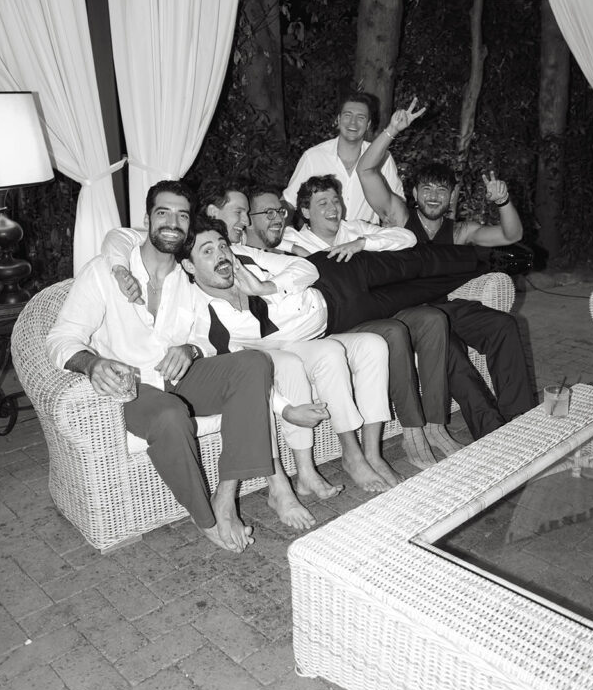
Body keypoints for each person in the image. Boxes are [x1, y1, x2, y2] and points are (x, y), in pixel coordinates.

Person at [46, 180, 317, 554]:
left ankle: (225, 497)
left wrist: (190, 349)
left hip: (179, 378)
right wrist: (92, 364)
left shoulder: (188, 282)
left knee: (253, 363)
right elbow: (61, 337)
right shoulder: (104, 272)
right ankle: (206, 520)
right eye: (163, 213)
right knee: (170, 415)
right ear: (147, 220)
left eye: (182, 215)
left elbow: (207, 341)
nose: (172, 222)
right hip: (133, 388)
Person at [106, 206, 399, 494]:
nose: (221, 255)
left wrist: (264, 286)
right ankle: (333, 464)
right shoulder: (201, 313)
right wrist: (120, 267)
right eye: (207, 251)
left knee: (373, 345)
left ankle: (369, 454)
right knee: (317, 357)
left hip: (309, 332)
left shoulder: (242, 257)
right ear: (189, 266)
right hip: (273, 353)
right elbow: (241, 372)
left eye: (222, 246)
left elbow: (307, 269)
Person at [248, 181, 461, 466]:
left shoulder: (355, 229)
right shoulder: (291, 240)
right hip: (343, 320)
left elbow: (407, 237)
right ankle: (412, 432)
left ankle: (435, 425)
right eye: (323, 203)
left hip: (377, 306)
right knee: (394, 332)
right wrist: (297, 250)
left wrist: (362, 243)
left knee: (433, 319)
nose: (333, 208)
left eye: (335, 200)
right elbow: (268, 242)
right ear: (305, 212)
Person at [357, 98, 536, 431]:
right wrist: (392, 130)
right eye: (426, 189)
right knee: (451, 353)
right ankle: (492, 430)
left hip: (445, 308)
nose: (434, 196)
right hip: (404, 313)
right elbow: (366, 171)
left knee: (504, 326)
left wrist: (504, 201)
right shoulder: (398, 216)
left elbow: (511, 235)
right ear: (414, 193)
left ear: (452, 196)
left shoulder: (459, 231)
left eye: (442, 190)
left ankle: (520, 418)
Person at [282, 90, 404, 225]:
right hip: (321, 237)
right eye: (348, 115)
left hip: (366, 236)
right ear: (339, 120)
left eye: (361, 118)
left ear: (368, 124)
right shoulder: (313, 157)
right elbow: (288, 202)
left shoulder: (383, 158)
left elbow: (397, 206)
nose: (353, 123)